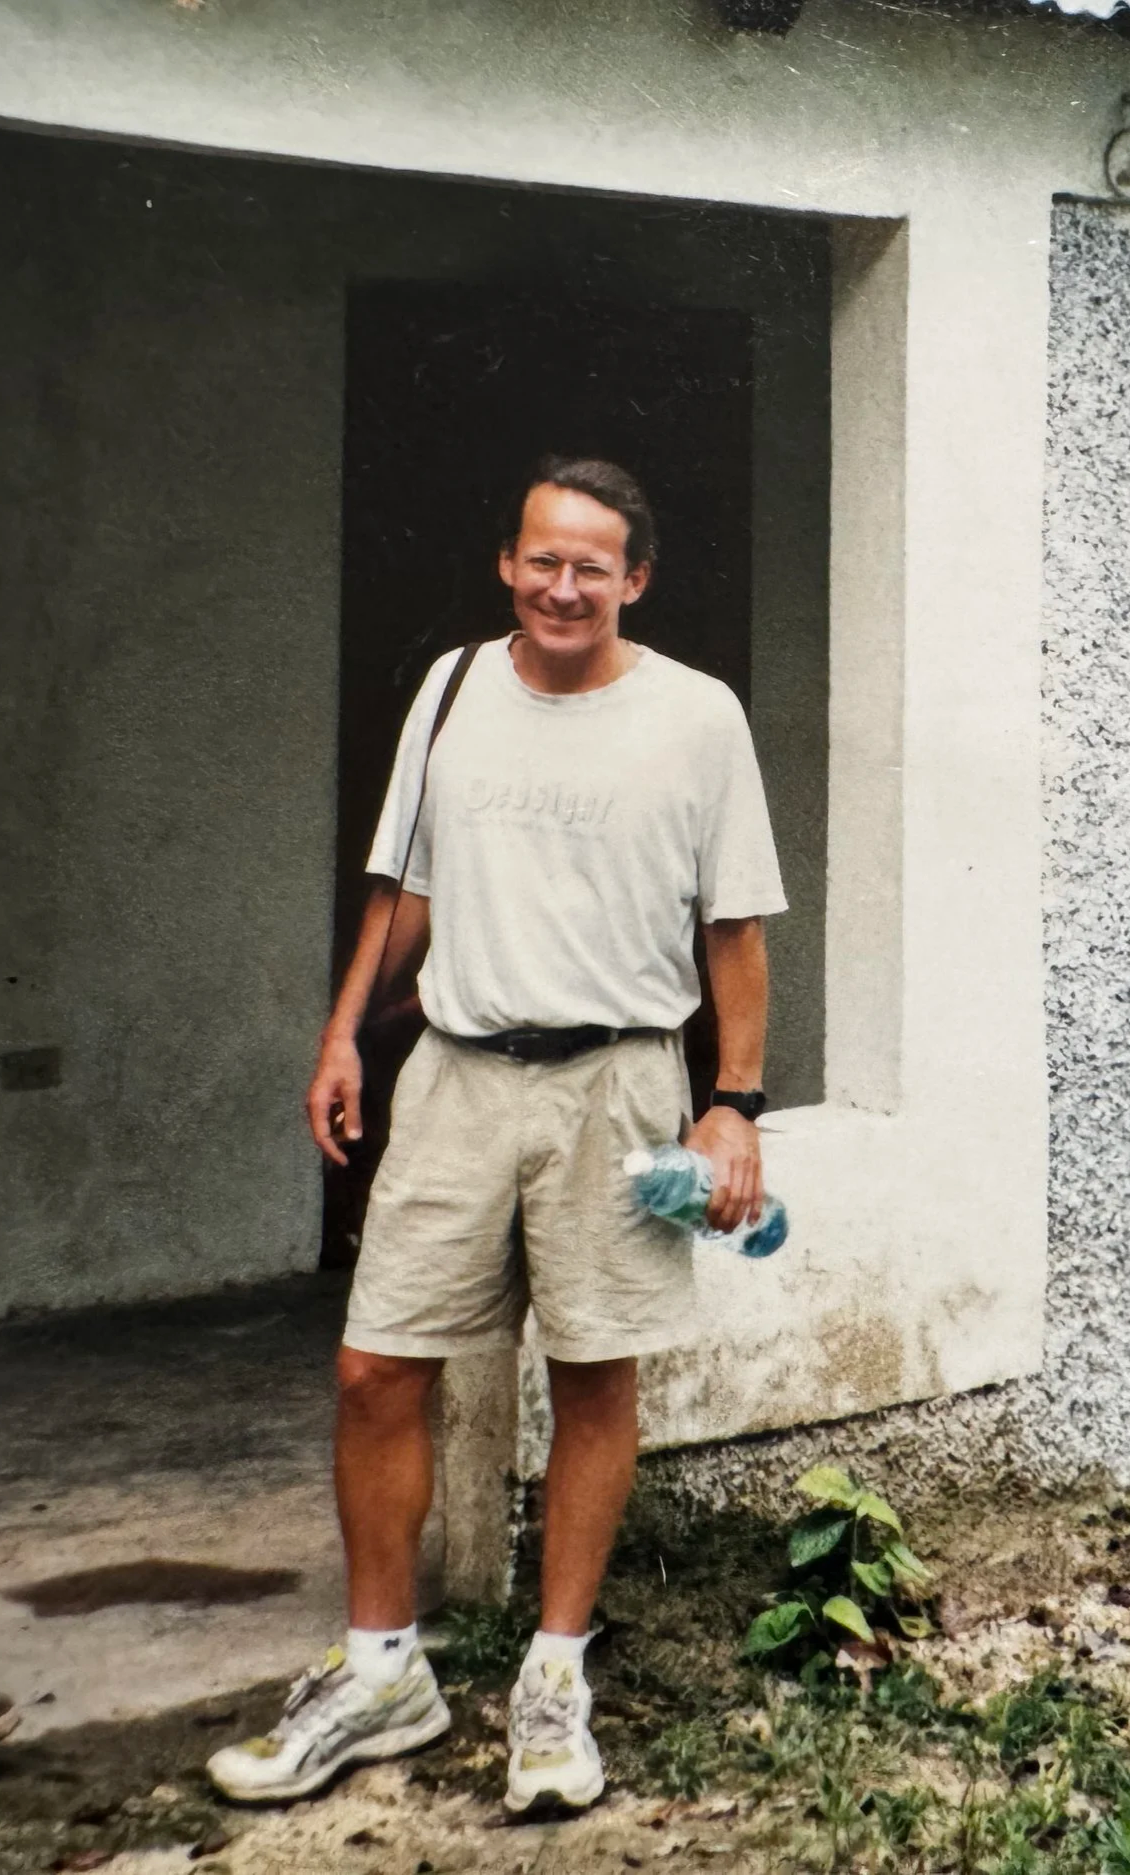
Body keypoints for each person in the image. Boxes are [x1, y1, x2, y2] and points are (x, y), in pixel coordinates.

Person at [208, 457, 785, 1815]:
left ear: (635, 578)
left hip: (621, 1087)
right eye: (541, 559)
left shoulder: (697, 716)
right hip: (459, 1076)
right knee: (372, 1367)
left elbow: (736, 927)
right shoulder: (455, 688)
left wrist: (733, 1101)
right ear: (507, 564)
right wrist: (345, 1028)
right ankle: (380, 1669)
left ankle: (554, 1674)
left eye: (593, 565)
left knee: (591, 1374)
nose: (562, 586)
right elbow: (404, 884)